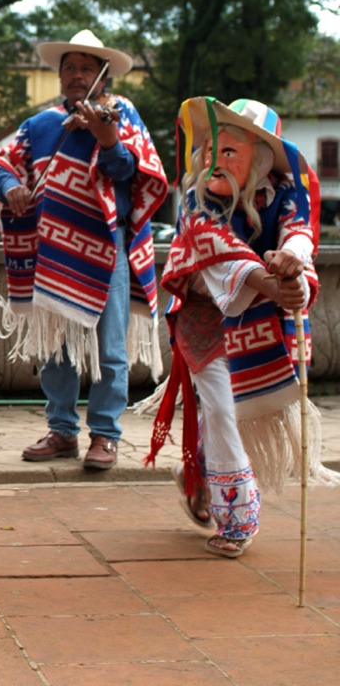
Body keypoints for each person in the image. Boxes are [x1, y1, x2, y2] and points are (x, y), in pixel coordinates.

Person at [145, 97, 340, 558]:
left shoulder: (290, 191)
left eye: (229, 151)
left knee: (236, 404)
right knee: (219, 404)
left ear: (263, 159)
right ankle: (237, 514)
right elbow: (219, 247)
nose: (214, 159)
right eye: (210, 147)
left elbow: (300, 231)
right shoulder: (196, 197)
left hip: (261, 316)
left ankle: (200, 475)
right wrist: (270, 283)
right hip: (203, 311)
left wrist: (294, 263)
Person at [0, 29, 168, 470]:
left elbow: (134, 173)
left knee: (110, 349)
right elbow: (1, 165)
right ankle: (62, 431)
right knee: (57, 347)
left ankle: (105, 436)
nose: (76, 75)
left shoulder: (122, 114)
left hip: (109, 246)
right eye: (69, 67)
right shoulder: (42, 125)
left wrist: (108, 138)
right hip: (53, 248)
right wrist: (12, 187)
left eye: (86, 68)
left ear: (103, 76)